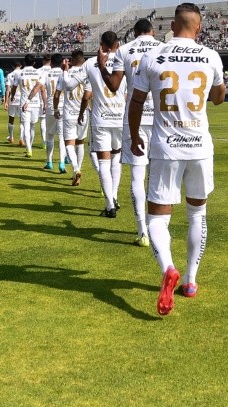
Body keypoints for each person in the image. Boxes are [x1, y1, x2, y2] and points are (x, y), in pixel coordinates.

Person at [129, 2, 225, 316]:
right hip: (199, 147)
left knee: (157, 218)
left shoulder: (153, 56)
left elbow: (136, 101)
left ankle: (169, 268)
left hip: (165, 147)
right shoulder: (210, 56)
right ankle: (192, 281)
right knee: (197, 214)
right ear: (198, 28)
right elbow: (218, 98)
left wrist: (133, 136)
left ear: (173, 25)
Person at [104, 18, 162, 246]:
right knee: (157, 175)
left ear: (134, 33)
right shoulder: (162, 48)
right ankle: (157, 225)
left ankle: (142, 231)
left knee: (138, 176)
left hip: (134, 117)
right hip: (159, 116)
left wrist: (101, 66)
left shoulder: (125, 50)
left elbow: (114, 86)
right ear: (153, 31)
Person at [74, 31, 127, 218]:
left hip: (101, 119)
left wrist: (65, 71)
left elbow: (71, 83)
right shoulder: (124, 60)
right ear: (117, 45)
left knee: (103, 161)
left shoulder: (90, 63)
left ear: (101, 44)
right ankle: (114, 195)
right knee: (116, 159)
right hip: (120, 117)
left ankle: (109, 204)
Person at [54, 50, 89, 186]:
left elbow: (57, 95)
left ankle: (76, 169)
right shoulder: (87, 72)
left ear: (72, 60)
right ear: (83, 60)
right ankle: (78, 171)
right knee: (80, 143)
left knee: (69, 143)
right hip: (83, 112)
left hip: (69, 113)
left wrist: (56, 109)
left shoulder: (65, 74)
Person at [34, 53, 67, 172]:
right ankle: (62, 162)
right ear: (62, 62)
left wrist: (28, 99)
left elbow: (38, 86)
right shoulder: (64, 73)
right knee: (62, 137)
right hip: (63, 107)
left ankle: (49, 161)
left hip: (50, 107)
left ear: (51, 62)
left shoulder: (46, 74)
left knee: (50, 136)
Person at [10, 53, 45, 158]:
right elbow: (42, 88)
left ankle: (29, 149)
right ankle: (29, 147)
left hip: (24, 102)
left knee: (26, 126)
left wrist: (12, 96)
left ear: (24, 62)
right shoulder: (38, 72)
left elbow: (14, 87)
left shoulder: (19, 73)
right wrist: (44, 102)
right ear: (34, 62)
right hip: (36, 103)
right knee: (33, 126)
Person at [5, 61, 24, 145]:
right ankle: (21, 138)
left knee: (11, 119)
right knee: (22, 120)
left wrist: (6, 101)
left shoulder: (10, 75)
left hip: (13, 99)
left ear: (13, 66)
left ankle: (11, 137)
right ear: (21, 65)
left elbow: (8, 89)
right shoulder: (24, 73)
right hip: (22, 99)